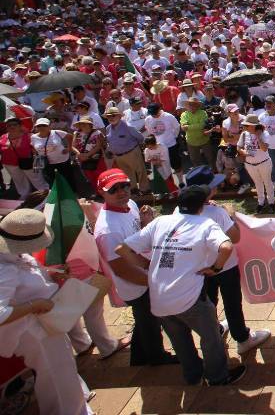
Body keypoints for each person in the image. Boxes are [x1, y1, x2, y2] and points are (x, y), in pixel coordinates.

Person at [117, 185, 246, 386]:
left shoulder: (160, 221)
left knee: (180, 342)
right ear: (201, 206)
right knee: (211, 337)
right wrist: (216, 268)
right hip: (189, 297)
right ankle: (217, 377)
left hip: (159, 299)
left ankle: (193, 376)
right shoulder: (205, 223)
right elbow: (227, 246)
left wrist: (145, 265)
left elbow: (122, 248)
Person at [0, 209, 94, 415]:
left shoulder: (14, 254)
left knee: (63, 371)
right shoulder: (4, 268)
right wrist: (35, 304)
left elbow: (27, 274)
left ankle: (76, 408)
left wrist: (50, 275)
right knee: (56, 375)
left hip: (44, 325)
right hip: (32, 332)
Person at [92, 168, 176, 367]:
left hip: (145, 274)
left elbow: (135, 235)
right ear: (102, 193)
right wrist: (153, 282)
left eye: (124, 186)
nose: (122, 192)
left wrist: (145, 222)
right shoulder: (107, 230)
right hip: (137, 284)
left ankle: (139, 357)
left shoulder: (129, 204)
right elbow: (122, 269)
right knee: (150, 322)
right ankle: (157, 358)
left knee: (145, 321)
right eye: (114, 189)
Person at [185, 166, 271, 355]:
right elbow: (235, 237)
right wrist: (230, 215)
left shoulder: (181, 210)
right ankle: (242, 338)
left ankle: (214, 332)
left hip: (199, 268)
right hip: (224, 267)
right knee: (232, 303)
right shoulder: (217, 213)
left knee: (209, 302)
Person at [0, 115, 48, 201]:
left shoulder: (29, 136)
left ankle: (46, 196)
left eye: (14, 124)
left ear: (19, 125)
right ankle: (24, 196)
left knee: (37, 180)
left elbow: (38, 150)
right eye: (9, 125)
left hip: (28, 163)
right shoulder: (3, 137)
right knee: (19, 182)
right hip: (10, 164)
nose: (12, 126)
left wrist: (38, 164)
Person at [238, 114, 275, 212]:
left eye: (247, 125)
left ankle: (271, 202)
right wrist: (243, 152)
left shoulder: (265, 134)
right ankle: (261, 202)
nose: (245, 127)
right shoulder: (244, 134)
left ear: (254, 125)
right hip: (250, 164)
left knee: (267, 182)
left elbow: (264, 149)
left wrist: (258, 136)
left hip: (264, 163)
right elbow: (239, 147)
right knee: (257, 183)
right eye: (245, 125)